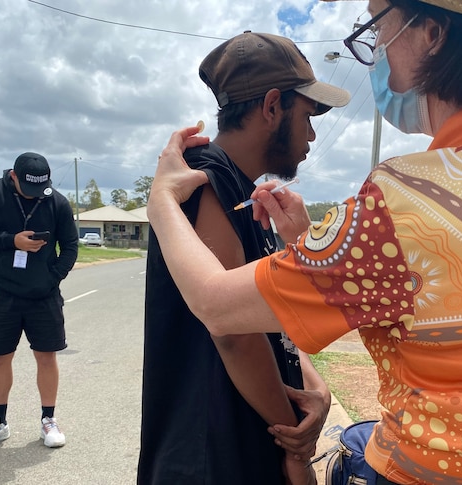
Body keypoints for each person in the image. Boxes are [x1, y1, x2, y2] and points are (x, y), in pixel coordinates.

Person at [147, 0, 462, 483]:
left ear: (432, 33)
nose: (377, 46)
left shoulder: (407, 202)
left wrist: (160, 202)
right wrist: (306, 244)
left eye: (379, 25)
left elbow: (219, 308)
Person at [137, 32, 350, 485]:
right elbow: (236, 331)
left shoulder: (250, 193)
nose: (312, 134)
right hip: (212, 452)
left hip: (245, 436)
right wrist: (295, 440)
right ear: (272, 106)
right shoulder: (208, 180)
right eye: (308, 115)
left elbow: (269, 313)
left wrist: (313, 385)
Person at [0, 152, 78, 450]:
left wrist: (52, 278)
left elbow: (70, 246)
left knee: (46, 356)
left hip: (44, 296)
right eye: (29, 188)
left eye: (41, 188)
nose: (35, 195)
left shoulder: (57, 202)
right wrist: (10, 240)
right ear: (14, 176)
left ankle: (48, 420)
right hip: (2, 292)